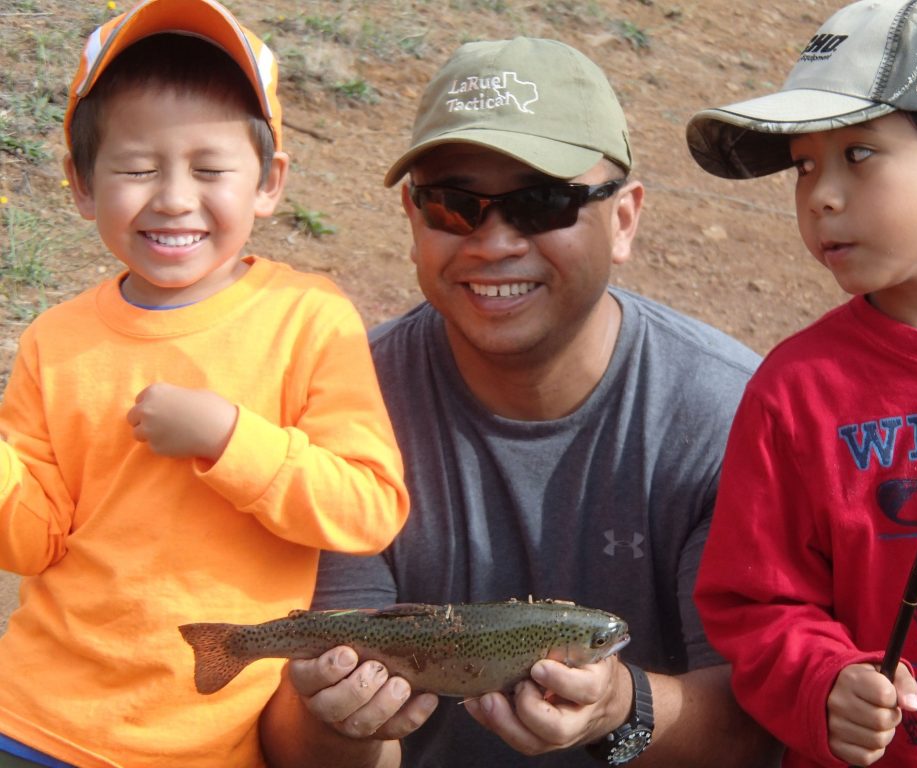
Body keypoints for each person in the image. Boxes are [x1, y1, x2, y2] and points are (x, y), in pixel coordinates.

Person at [260, 36, 779, 768]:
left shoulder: (728, 414)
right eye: (453, 205)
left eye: (543, 202)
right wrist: (337, 721)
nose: (495, 242)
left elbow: (757, 730)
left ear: (624, 219)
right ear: (413, 216)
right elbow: (293, 745)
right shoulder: (343, 399)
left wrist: (621, 709)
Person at [0, 0, 410, 765]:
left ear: (269, 182)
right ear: (82, 185)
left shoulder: (307, 319)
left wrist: (231, 438)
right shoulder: (54, 343)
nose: (175, 197)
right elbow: (32, 540)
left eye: (210, 169)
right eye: (136, 168)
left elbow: (368, 509)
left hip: (201, 742)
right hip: (31, 720)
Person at [686, 1, 917, 766]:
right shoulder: (797, 390)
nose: (820, 196)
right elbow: (756, 604)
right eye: (806, 164)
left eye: (859, 155)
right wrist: (823, 681)